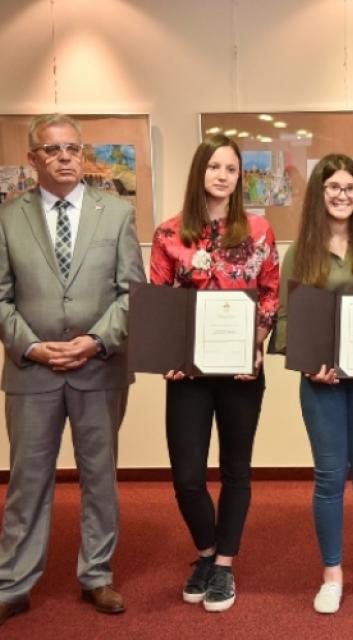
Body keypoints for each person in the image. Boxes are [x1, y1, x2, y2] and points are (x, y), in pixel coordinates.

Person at [0, 113, 145, 626]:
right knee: (27, 481)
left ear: (82, 155)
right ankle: (13, 583)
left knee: (99, 476)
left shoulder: (117, 214)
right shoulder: (8, 216)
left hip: (99, 367)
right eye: (52, 149)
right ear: (33, 158)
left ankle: (97, 575)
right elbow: (1, 297)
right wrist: (34, 347)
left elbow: (132, 293)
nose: (64, 157)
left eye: (72, 149)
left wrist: (95, 341)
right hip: (31, 371)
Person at [149, 133, 279, 613]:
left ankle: (223, 564)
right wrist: (167, 353)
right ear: (199, 171)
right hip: (189, 374)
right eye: (214, 167)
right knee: (187, 476)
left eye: (231, 168)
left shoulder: (259, 231)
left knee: (235, 470)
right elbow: (160, 301)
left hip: (242, 372)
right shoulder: (169, 234)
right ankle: (205, 551)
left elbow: (270, 293)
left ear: (240, 176)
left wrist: (255, 345)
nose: (222, 176)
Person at [273, 153, 353, 614]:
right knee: (328, 477)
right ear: (319, 194)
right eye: (333, 188)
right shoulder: (299, 252)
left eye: (350, 188)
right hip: (320, 383)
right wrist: (308, 365)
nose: (342, 195)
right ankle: (331, 576)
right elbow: (286, 320)